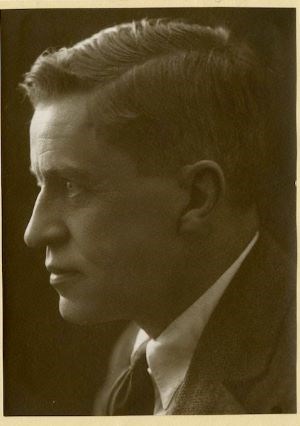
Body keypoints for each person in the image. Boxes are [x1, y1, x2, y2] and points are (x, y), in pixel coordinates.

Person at [22, 18, 296, 415]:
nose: (35, 232)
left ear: (196, 197)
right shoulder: (140, 347)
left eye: (72, 187)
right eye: (40, 185)